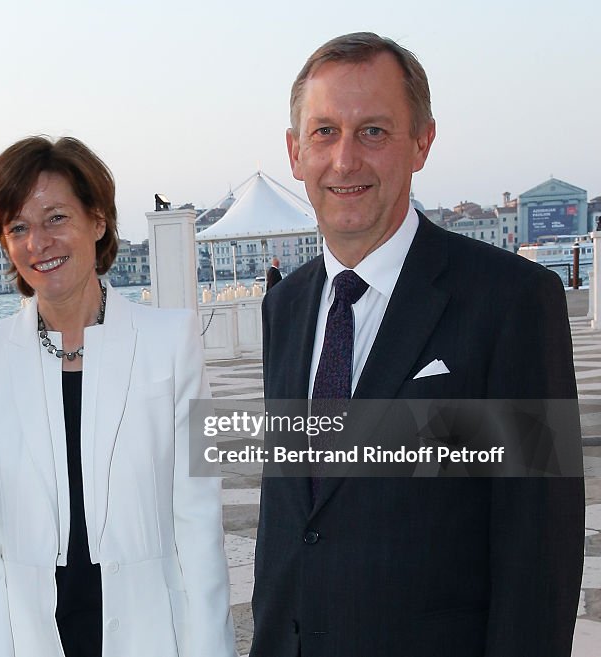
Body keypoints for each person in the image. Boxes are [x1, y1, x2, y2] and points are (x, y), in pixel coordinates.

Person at [250, 33, 584, 657]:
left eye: (372, 131)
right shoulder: (285, 306)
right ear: (295, 153)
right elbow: (294, 511)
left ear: (422, 143)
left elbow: (539, 549)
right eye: (324, 132)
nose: (345, 160)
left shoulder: (510, 301)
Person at [0, 136, 234, 657]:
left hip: (148, 628)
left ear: (98, 221)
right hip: (33, 632)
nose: (38, 241)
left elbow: (197, 521)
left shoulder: (171, 341)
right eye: (18, 227)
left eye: (56, 217)